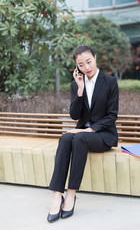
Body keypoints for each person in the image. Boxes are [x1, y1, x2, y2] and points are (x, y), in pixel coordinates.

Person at [47, 45, 119, 223]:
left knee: (79, 137)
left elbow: (112, 116)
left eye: (89, 61)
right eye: (81, 64)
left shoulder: (109, 82)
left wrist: (89, 129)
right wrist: (80, 90)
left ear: (95, 58)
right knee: (65, 138)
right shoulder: (75, 84)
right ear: (76, 67)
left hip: (103, 135)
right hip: (82, 134)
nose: (86, 67)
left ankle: (71, 195)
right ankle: (57, 195)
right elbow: (74, 115)